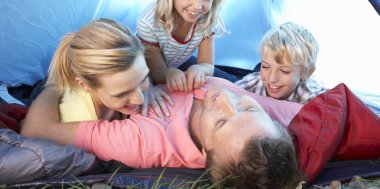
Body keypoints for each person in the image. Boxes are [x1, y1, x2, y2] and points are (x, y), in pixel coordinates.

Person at [22, 77, 303, 189]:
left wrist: (56, 82)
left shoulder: (144, 140)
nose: (226, 100)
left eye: (221, 123)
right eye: (250, 110)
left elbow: (37, 130)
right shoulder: (263, 122)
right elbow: (306, 110)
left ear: (206, 150)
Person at [136, 0, 238, 93]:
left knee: (234, 84)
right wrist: (168, 73)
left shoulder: (207, 18)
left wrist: (200, 68)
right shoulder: (150, 22)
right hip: (149, 71)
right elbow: (157, 71)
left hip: (181, 64)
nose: (198, 6)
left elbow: (207, 64)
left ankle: (257, 77)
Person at [44, 18, 173, 122]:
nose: (140, 99)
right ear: (85, 85)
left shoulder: (125, 79)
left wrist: (149, 86)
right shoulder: (80, 122)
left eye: (142, 79)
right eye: (121, 94)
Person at [236, 22, 327, 104]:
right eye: (265, 66)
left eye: (284, 71)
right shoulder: (252, 83)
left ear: (307, 72)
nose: (272, 79)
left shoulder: (313, 98)